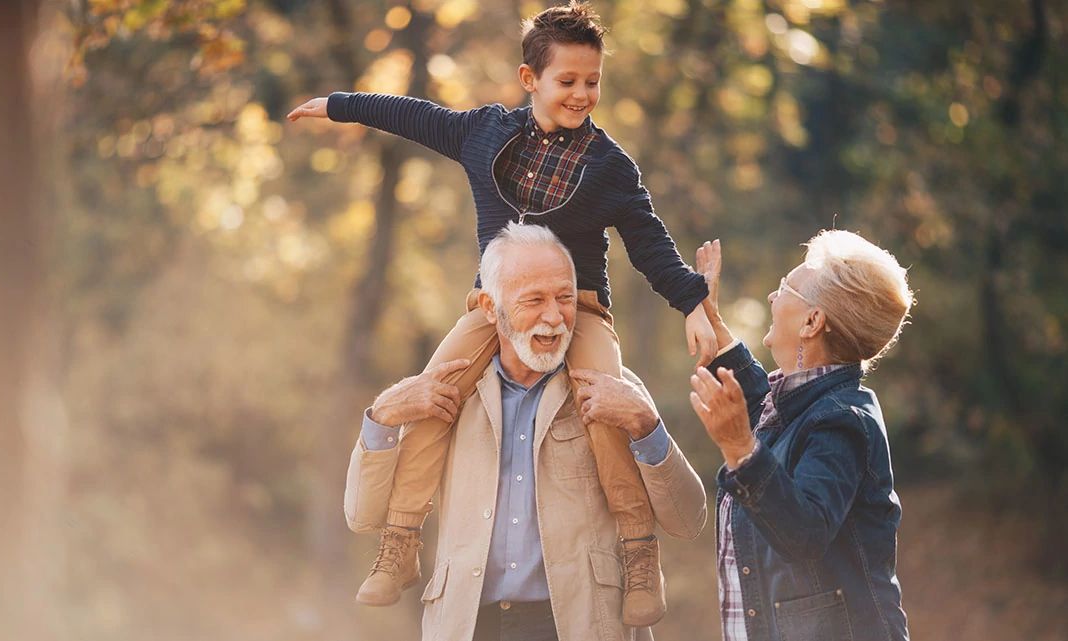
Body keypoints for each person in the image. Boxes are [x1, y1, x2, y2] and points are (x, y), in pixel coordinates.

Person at [288, 2, 714, 624]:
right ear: (529, 80)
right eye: (567, 81)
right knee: (434, 397)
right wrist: (340, 103)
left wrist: (693, 301)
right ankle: (401, 540)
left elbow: (650, 244)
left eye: (592, 81)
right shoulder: (484, 133)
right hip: (494, 310)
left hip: (581, 310)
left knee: (604, 405)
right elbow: (411, 115)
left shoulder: (610, 167)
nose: (582, 94)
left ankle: (638, 552)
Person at [344, 223, 707, 641]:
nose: (554, 317)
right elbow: (361, 514)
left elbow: (687, 519)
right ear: (488, 306)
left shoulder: (613, 388)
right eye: (534, 300)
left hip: (579, 625)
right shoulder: (449, 396)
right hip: (467, 626)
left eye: (565, 298)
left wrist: (647, 425)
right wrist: (383, 416)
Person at [687, 232, 913, 641]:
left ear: (812, 321)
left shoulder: (842, 421)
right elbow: (760, 400)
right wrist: (712, 318)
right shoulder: (800, 406)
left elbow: (805, 531)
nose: (773, 297)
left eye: (785, 288)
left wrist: (740, 447)